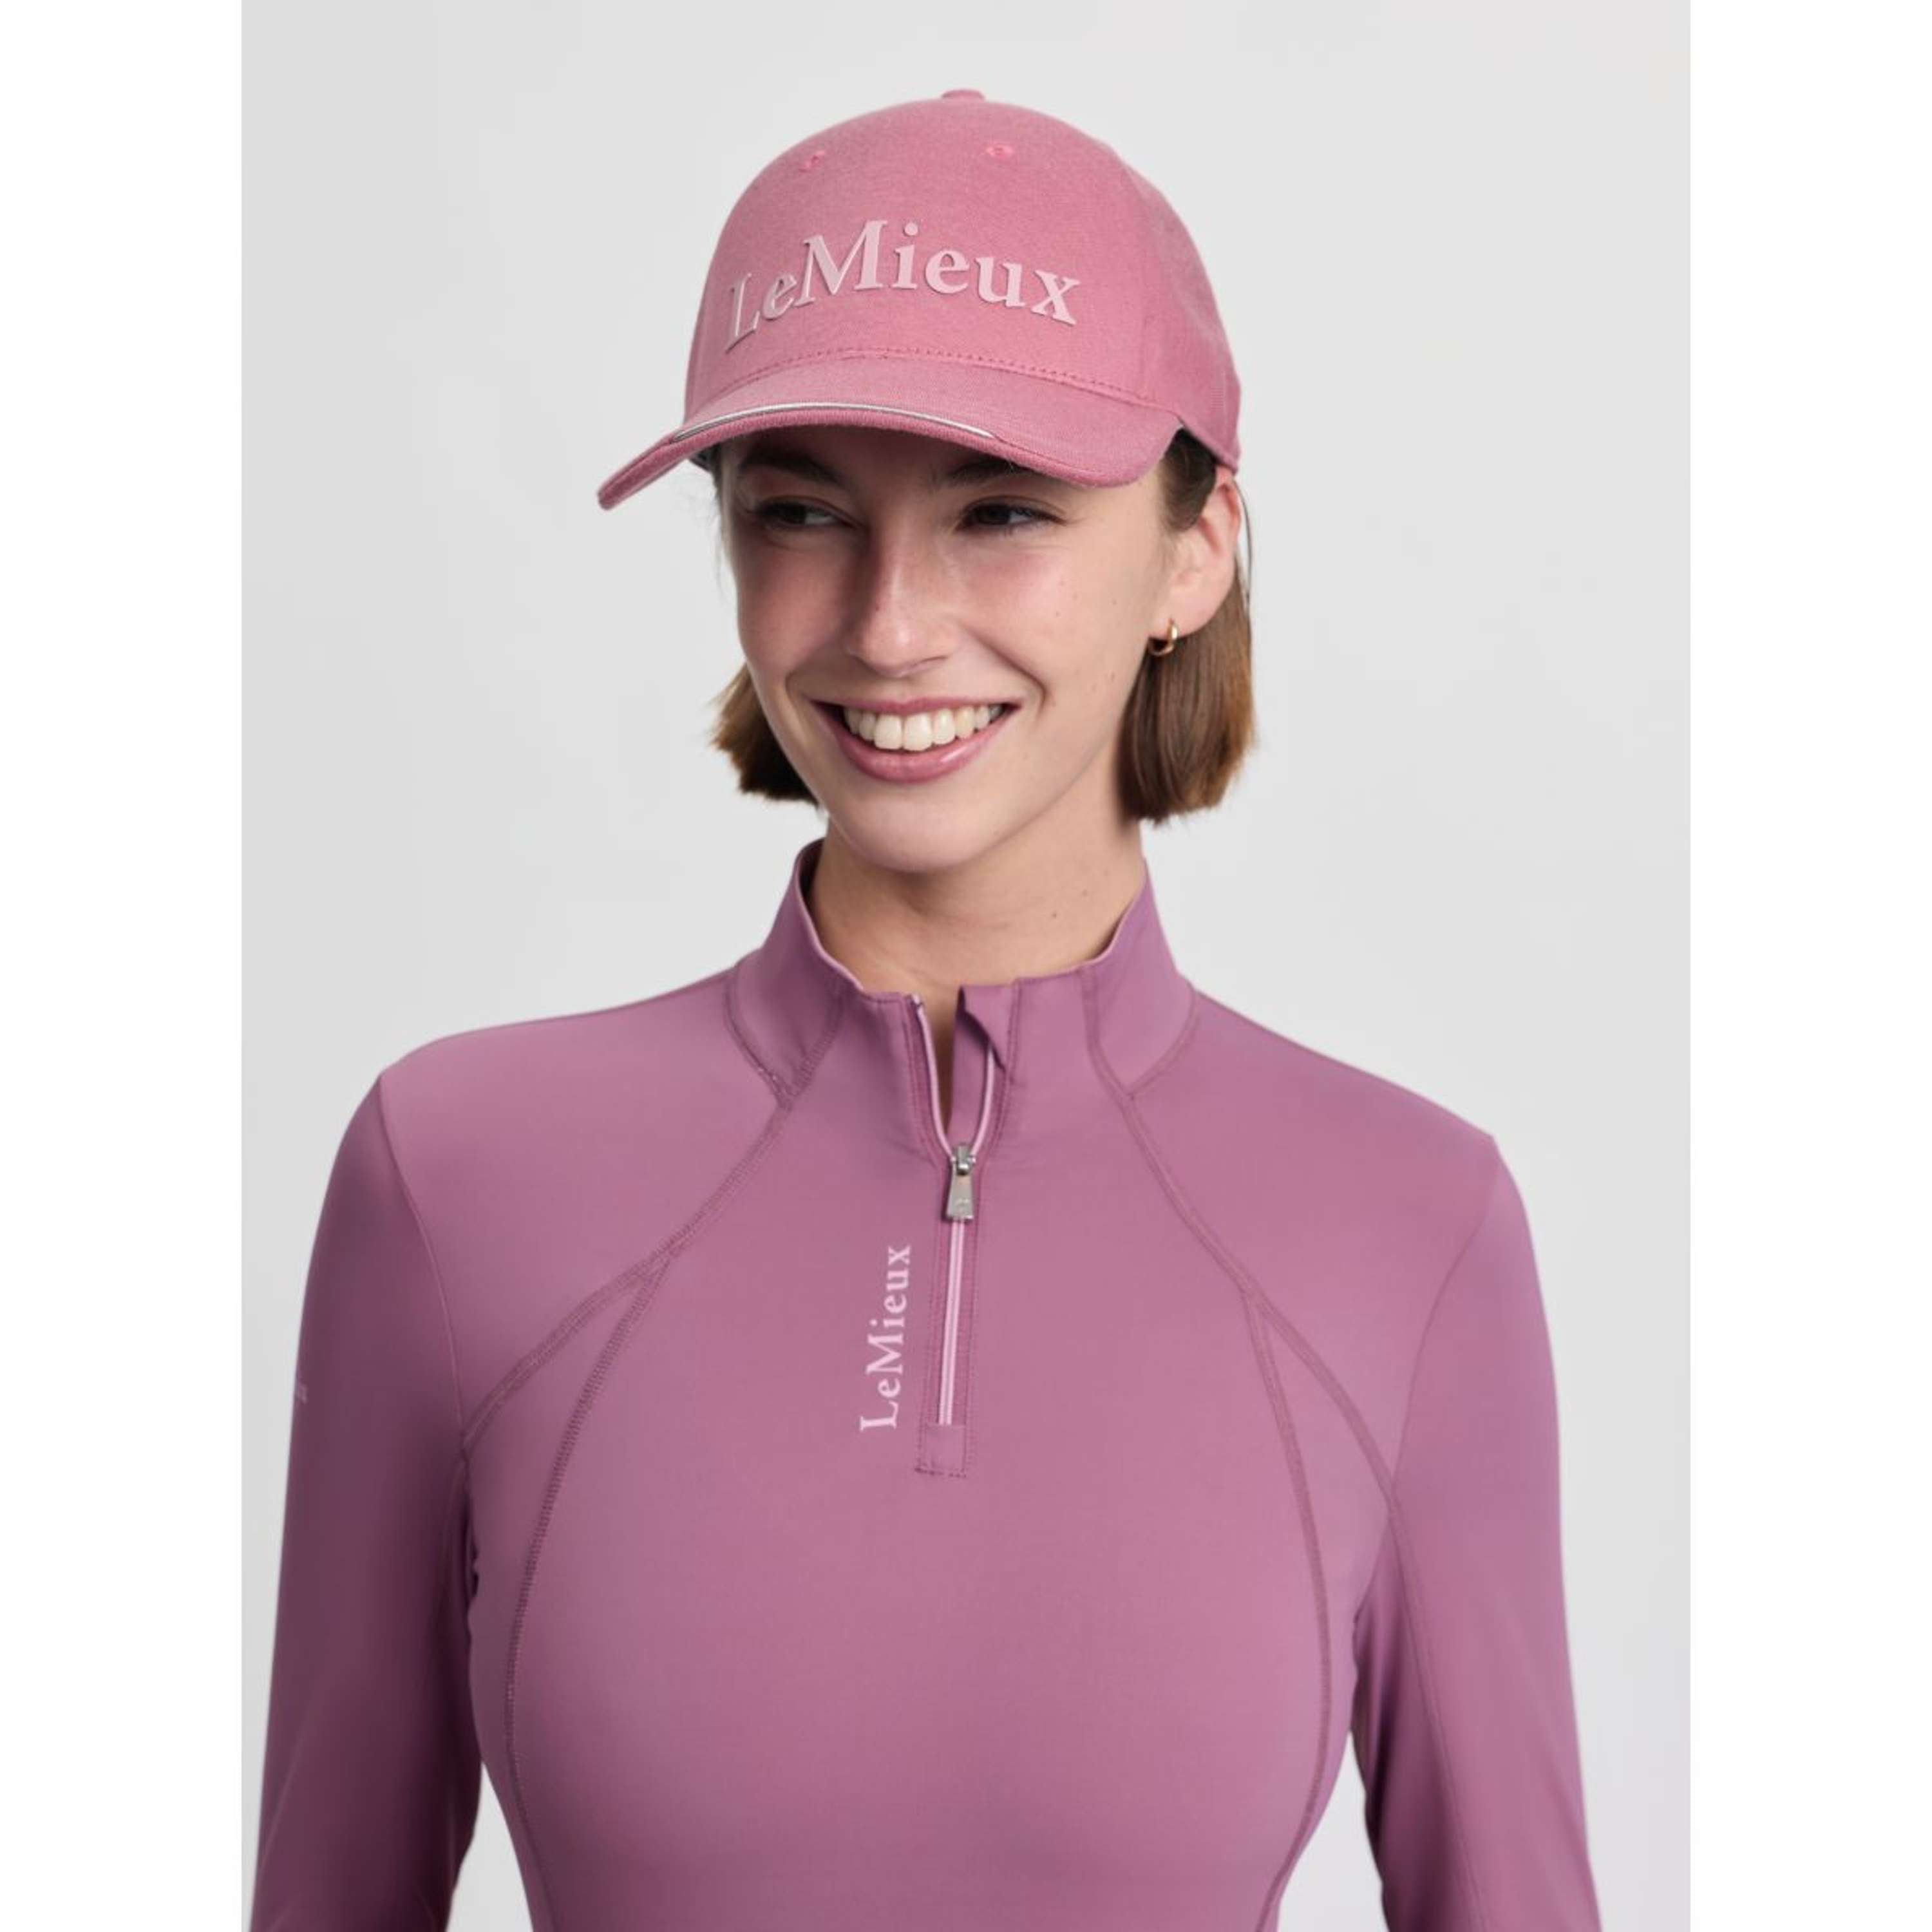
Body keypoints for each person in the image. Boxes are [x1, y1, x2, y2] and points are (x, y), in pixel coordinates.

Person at [249, 89, 1603, 1931]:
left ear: (1196, 547)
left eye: (1002, 512)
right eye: (801, 510)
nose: (888, 627)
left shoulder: (1412, 1228)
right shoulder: (454, 1179)